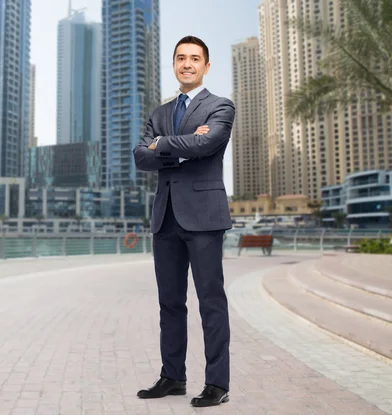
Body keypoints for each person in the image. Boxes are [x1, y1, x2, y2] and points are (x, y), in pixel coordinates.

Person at [132, 35, 235, 408]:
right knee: (170, 303)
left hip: (204, 218)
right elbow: (140, 157)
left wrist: (162, 145)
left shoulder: (221, 106)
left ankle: (217, 384)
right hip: (166, 218)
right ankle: (172, 376)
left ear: (206, 66)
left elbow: (208, 145)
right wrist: (179, 144)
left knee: (211, 301)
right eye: (180, 58)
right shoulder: (159, 112)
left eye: (194, 58)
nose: (187, 64)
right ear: (174, 64)